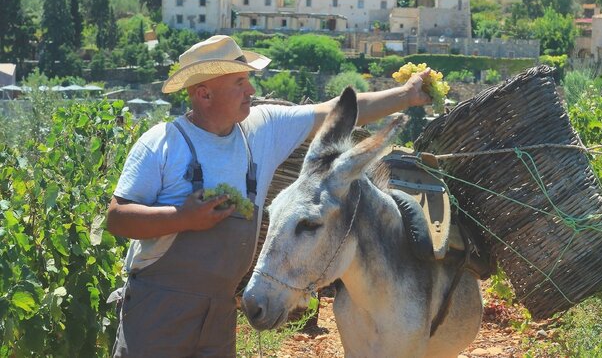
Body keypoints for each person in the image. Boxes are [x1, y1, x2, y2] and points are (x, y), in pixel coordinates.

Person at [106, 35, 431, 357]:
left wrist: (406, 95)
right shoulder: (161, 143)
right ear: (204, 94)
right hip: (159, 306)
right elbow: (117, 218)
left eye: (248, 79)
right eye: (239, 82)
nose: (251, 90)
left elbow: (337, 111)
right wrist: (182, 218)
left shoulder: (261, 130)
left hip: (220, 309)